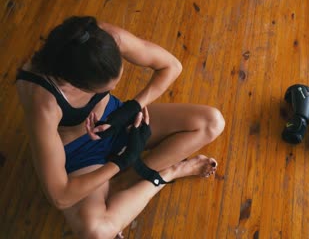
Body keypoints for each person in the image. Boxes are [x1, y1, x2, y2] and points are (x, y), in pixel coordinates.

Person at [15, 16, 225, 238]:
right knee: (96, 232)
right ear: (76, 85)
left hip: (118, 120)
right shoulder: (42, 102)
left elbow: (171, 66)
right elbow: (59, 196)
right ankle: (171, 172)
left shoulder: (101, 39)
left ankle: (123, 183)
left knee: (212, 122)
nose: (114, 88)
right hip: (81, 155)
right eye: (104, 87)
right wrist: (121, 161)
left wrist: (132, 108)